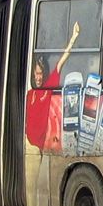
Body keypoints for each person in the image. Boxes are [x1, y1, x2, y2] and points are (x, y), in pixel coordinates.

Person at [25, 21, 81, 152]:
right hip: (28, 146)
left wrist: (73, 38)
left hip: (41, 147)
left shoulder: (47, 88)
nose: (37, 78)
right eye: (35, 75)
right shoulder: (29, 94)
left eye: (40, 74)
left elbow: (60, 63)